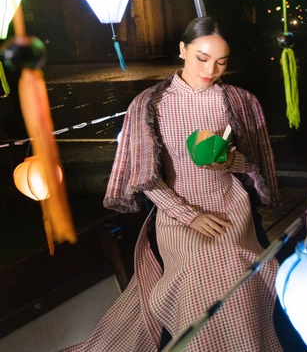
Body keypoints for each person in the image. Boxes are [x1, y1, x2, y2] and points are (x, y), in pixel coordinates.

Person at [65, 17, 282, 352]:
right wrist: (189, 215)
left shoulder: (238, 101)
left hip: (230, 203)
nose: (211, 70)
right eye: (202, 58)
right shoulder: (150, 104)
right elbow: (145, 178)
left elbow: (253, 164)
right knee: (196, 271)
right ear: (182, 50)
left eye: (222, 62)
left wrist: (230, 162)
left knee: (239, 268)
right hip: (176, 211)